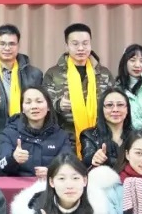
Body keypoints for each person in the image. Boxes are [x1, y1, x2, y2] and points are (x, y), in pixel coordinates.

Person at [44, 24, 115, 156]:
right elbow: (43, 105)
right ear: (67, 46)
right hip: (64, 140)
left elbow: (114, 103)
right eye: (75, 44)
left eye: (85, 43)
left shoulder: (104, 73)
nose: (81, 48)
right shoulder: (53, 74)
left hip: (99, 140)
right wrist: (58, 105)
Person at [0, 24, 43, 158]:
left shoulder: (34, 74)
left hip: (28, 136)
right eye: (2, 44)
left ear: (18, 46)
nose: (7, 48)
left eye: (12, 44)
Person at [0, 87, 74, 178]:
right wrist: (13, 159)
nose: (34, 106)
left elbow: (68, 166)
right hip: (18, 185)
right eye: (28, 102)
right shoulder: (10, 132)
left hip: (49, 184)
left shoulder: (60, 135)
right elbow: (0, 166)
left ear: (48, 107)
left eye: (39, 101)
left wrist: (53, 172)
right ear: (22, 108)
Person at [80, 88, 134, 170]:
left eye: (120, 105)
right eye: (109, 105)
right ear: (102, 109)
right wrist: (94, 158)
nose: (115, 110)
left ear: (127, 109)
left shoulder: (137, 136)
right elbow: (87, 158)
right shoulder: (89, 135)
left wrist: (108, 160)